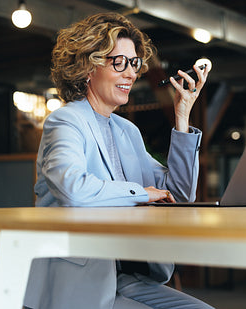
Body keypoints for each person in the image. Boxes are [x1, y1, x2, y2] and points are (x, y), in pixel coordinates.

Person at [24, 12, 213, 309]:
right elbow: (72, 188)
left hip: (125, 276)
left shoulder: (127, 131)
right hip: (79, 282)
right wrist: (141, 194)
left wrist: (182, 117)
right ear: (89, 66)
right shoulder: (65, 121)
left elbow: (177, 193)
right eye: (120, 62)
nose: (131, 74)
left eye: (134, 63)